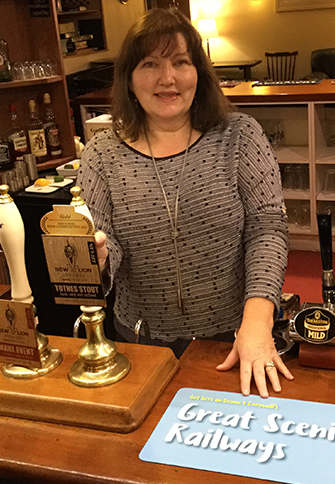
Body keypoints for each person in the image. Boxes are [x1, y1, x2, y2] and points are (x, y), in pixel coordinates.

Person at [76, 8, 292, 398]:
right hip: (139, 343)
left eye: (180, 62)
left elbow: (267, 229)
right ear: (129, 78)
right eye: (150, 64)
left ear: (199, 73)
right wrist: (99, 257)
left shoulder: (240, 136)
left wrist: (258, 322)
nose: (167, 78)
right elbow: (108, 244)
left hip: (235, 340)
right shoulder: (101, 153)